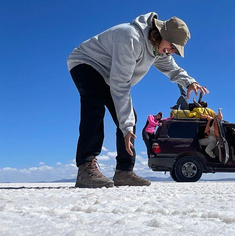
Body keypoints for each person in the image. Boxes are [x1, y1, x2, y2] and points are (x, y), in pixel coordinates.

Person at [68, 12, 209, 188]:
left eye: (175, 50)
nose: (171, 52)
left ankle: (124, 171)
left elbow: (172, 68)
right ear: (162, 35)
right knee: (95, 105)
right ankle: (86, 168)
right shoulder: (130, 38)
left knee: (129, 116)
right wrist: (125, 127)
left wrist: (189, 82)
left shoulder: (157, 50)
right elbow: (120, 85)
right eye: (172, 46)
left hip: (110, 76)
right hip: (87, 62)